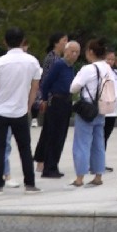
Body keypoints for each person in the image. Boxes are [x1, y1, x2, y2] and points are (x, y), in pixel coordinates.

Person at [0, 28, 40, 192]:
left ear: (5, 42)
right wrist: (28, 106)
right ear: (23, 40)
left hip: (0, 110)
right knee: (25, 148)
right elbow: (35, 87)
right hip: (20, 111)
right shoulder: (32, 61)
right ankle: (30, 183)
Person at [69, 40, 114, 188]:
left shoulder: (88, 69)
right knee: (98, 144)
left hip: (87, 109)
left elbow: (74, 88)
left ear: (91, 52)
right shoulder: (108, 68)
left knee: (82, 144)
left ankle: (80, 178)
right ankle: (98, 175)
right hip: (102, 109)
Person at [35, 39, 77, 179]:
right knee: (53, 134)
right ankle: (48, 167)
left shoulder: (70, 67)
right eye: (72, 51)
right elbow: (46, 83)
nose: (74, 54)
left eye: (77, 52)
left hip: (66, 102)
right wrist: (45, 99)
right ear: (65, 51)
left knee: (61, 135)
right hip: (57, 101)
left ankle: (54, 165)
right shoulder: (59, 64)